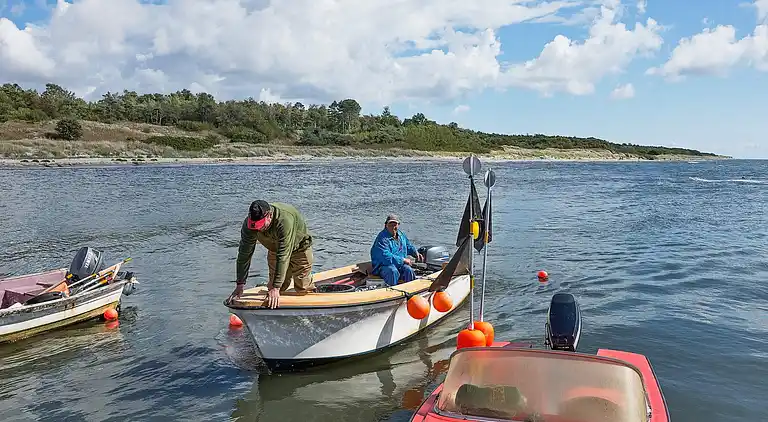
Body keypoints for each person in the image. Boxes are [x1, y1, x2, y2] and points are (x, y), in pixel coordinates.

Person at [228, 200, 315, 308]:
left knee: (302, 287)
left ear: (269, 215)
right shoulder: (249, 225)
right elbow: (244, 254)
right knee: (275, 289)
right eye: (255, 227)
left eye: (261, 225)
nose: (258, 229)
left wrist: (276, 287)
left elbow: (283, 255)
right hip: (275, 250)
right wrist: (240, 284)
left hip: (299, 249)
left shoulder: (284, 220)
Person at [370, 214, 423, 286]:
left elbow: (407, 246)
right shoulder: (382, 239)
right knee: (392, 271)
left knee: (408, 270)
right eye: (390, 224)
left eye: (395, 224)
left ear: (398, 225)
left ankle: (410, 291)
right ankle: (390, 292)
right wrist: (403, 260)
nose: (393, 227)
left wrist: (415, 253)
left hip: (399, 265)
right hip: (383, 266)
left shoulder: (401, 235)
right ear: (385, 225)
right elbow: (385, 256)